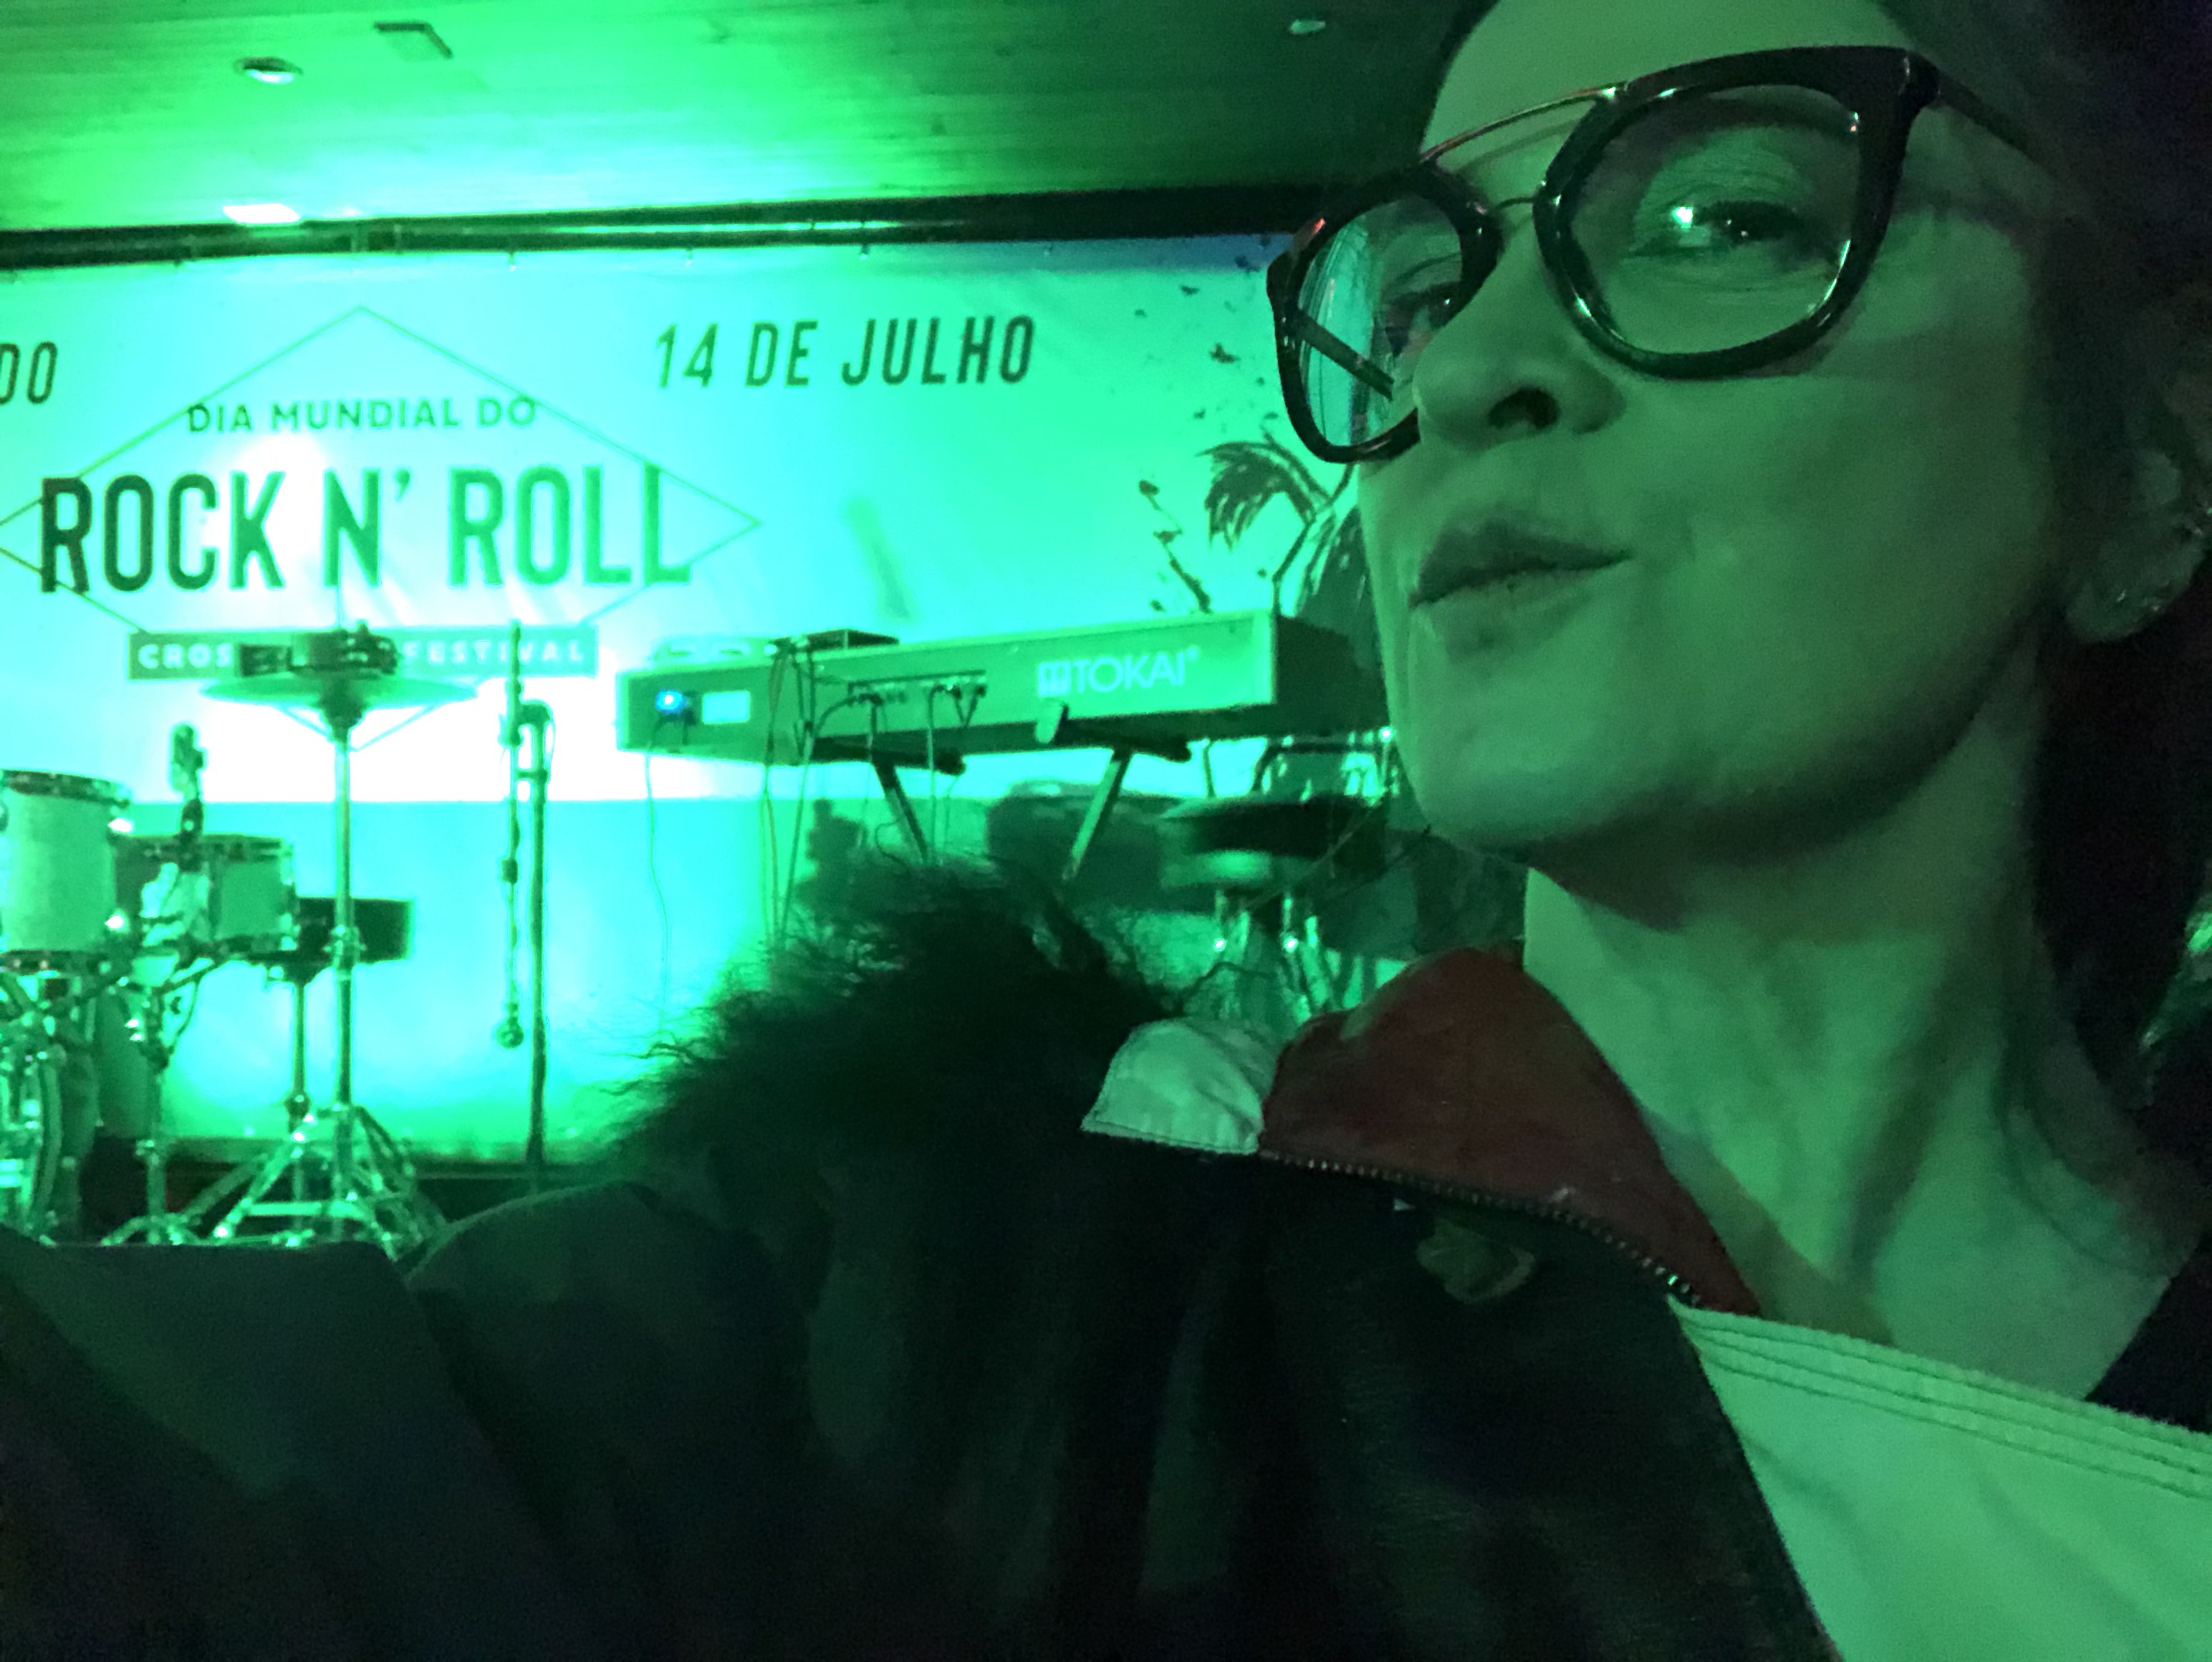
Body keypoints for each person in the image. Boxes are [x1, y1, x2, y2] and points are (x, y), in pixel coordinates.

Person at [408, 0, 2212, 1655]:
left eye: (1715, 217)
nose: (1461, 373)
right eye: (1422, 297)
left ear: (2153, 461)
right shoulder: (949, 1289)